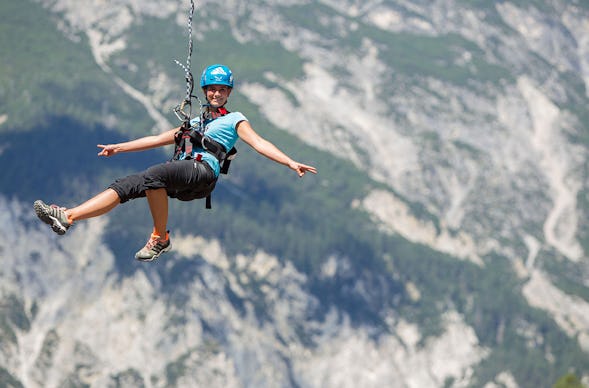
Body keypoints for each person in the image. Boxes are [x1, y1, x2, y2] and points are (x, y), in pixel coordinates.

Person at [34, 64, 317, 261]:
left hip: (204, 172)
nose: (216, 93)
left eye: (222, 90)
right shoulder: (194, 122)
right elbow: (158, 137)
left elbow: (259, 143)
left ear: (229, 93)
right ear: (205, 91)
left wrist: (290, 162)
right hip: (183, 176)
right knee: (128, 184)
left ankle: (160, 237)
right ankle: (68, 217)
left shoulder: (235, 119)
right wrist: (119, 147)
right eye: (212, 89)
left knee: (154, 175)